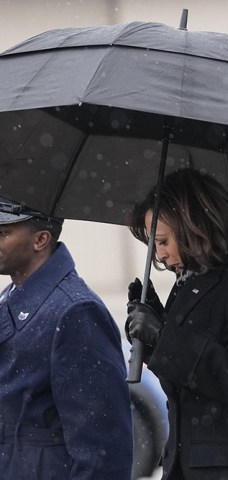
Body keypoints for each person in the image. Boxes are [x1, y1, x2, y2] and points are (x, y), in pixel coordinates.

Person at [125, 169, 228, 480]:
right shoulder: (189, 281)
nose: (160, 255)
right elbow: (185, 387)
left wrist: (164, 336)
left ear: (193, 227)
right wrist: (150, 337)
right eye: (153, 244)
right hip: (189, 464)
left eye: (162, 241)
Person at [0, 197, 133, 480]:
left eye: (3, 233)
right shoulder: (12, 298)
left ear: (41, 240)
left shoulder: (75, 311)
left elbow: (103, 447)